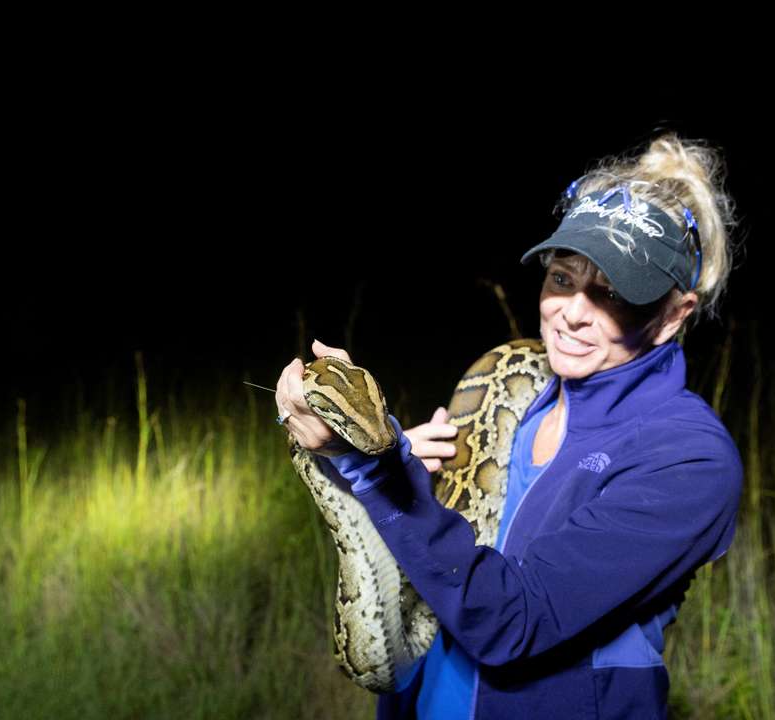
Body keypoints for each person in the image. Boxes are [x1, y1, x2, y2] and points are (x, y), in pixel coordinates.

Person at [275, 133, 744, 719]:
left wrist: (380, 476)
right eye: (563, 278)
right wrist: (379, 466)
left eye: (615, 293)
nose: (573, 313)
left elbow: (513, 620)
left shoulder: (689, 459)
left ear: (674, 314)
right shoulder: (518, 390)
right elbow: (436, 573)